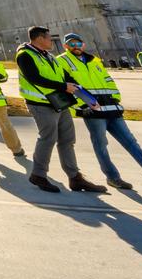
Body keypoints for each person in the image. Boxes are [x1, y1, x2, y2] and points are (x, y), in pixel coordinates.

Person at [58, 33, 142, 190]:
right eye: (71, 44)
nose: (76, 47)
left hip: (112, 109)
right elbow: (66, 88)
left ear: (83, 45)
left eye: (78, 44)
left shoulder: (94, 60)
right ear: (66, 46)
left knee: (132, 144)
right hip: (92, 112)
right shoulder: (61, 61)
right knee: (101, 146)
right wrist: (83, 106)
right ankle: (113, 178)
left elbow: (108, 80)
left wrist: (115, 98)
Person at [16, 26, 105, 194]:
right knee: (48, 138)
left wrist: (87, 97)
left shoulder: (49, 56)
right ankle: (39, 175)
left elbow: (67, 77)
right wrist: (63, 86)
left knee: (67, 140)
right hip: (41, 103)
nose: (52, 41)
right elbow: (34, 78)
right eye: (49, 38)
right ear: (40, 38)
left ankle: (75, 178)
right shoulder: (25, 55)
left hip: (59, 102)